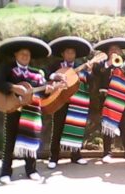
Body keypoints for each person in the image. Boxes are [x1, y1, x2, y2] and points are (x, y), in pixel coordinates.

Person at [0, 36, 56, 184]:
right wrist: (14, 87)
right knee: (10, 141)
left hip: (32, 114)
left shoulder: (37, 73)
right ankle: (5, 172)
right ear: (15, 55)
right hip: (13, 109)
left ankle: (31, 170)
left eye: (27, 54)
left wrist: (50, 89)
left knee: (32, 142)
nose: (25, 56)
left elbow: (42, 92)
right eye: (22, 54)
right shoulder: (8, 69)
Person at [45, 36, 93, 169]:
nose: (70, 55)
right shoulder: (56, 65)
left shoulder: (80, 65)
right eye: (67, 52)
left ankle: (76, 156)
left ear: (75, 55)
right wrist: (55, 76)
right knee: (58, 129)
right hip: (60, 100)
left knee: (75, 128)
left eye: (72, 52)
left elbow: (90, 81)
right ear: (63, 54)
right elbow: (44, 73)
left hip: (76, 103)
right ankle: (54, 157)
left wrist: (89, 72)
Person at [93, 37, 125, 165]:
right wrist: (108, 64)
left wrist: (120, 65)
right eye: (112, 50)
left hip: (121, 100)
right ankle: (107, 153)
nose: (115, 52)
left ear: (121, 52)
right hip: (106, 99)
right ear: (108, 53)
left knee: (124, 127)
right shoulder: (103, 64)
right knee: (107, 125)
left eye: (117, 50)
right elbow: (98, 72)